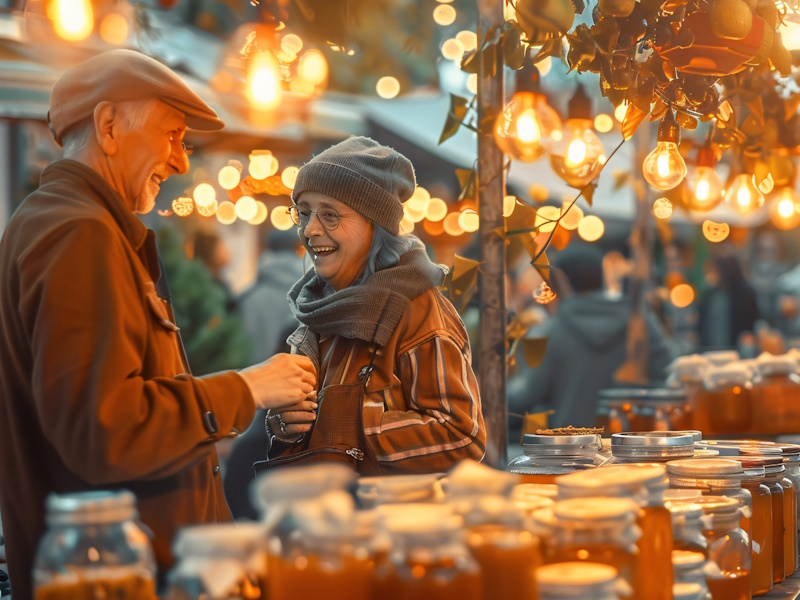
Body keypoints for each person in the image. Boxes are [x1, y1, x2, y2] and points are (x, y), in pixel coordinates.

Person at [0, 49, 317, 600]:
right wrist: (246, 387)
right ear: (108, 126)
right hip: (118, 579)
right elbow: (104, 431)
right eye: (172, 134)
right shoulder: (80, 234)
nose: (180, 161)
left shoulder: (64, 224)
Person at [256, 136, 486, 475]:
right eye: (304, 214)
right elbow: (310, 433)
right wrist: (283, 425)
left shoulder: (414, 308)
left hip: (391, 522)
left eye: (330, 215)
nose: (310, 230)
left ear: (374, 224)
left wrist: (347, 423)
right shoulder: (319, 309)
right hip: (323, 519)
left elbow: (461, 433)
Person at [507, 245, 673, 439]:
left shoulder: (554, 331)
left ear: (561, 283)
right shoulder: (641, 323)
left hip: (574, 449)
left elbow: (530, 392)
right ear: (601, 278)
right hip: (635, 447)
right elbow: (669, 376)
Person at [696, 254, 760, 351]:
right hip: (710, 350)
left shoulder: (745, 294)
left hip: (737, 350)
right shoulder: (709, 295)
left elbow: (752, 323)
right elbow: (702, 323)